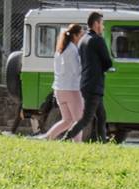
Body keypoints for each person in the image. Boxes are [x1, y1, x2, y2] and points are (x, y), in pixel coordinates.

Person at [60, 10, 113, 142]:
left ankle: (103, 142)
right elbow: (108, 62)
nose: (103, 26)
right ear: (96, 24)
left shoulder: (83, 40)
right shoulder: (98, 40)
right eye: (102, 23)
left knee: (101, 116)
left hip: (85, 84)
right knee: (87, 119)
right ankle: (66, 139)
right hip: (94, 85)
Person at [38, 22, 84, 139]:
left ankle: (47, 137)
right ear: (74, 36)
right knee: (79, 121)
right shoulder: (73, 50)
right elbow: (77, 71)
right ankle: (77, 147)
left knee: (67, 120)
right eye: (80, 36)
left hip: (59, 89)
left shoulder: (60, 50)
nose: (81, 39)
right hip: (72, 89)